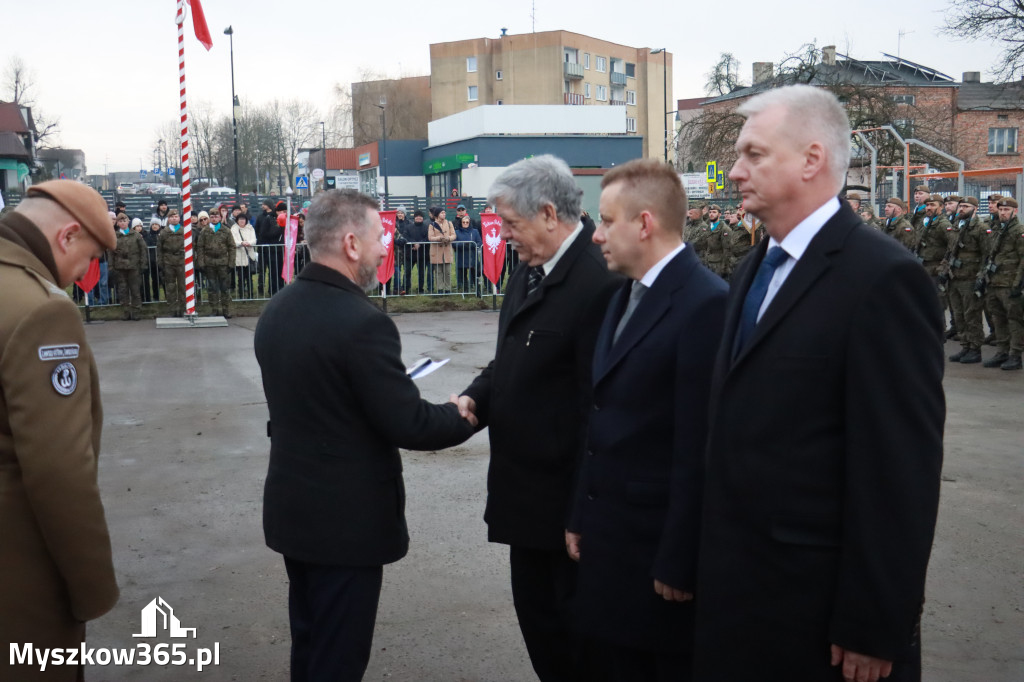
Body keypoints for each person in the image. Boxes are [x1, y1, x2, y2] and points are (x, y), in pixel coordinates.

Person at [695, 85, 945, 682]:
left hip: (820, 617)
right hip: (741, 597)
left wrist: (875, 624)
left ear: (811, 160)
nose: (733, 172)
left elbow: (898, 473)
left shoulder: (883, 278)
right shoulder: (754, 266)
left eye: (753, 154)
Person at [254, 188, 476, 681]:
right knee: (338, 657)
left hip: (295, 513)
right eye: (380, 238)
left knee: (311, 643)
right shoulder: (363, 324)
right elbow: (408, 422)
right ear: (352, 243)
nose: (384, 249)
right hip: (345, 525)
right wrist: (465, 412)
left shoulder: (277, 310)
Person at [454, 155, 619, 682]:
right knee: (542, 632)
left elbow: (600, 408)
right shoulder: (531, 270)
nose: (506, 237)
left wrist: (581, 512)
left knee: (576, 648)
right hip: (525, 501)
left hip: (564, 511)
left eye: (512, 224)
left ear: (550, 214)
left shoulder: (598, 283)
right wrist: (475, 398)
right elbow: (512, 355)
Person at [565, 159, 726, 681]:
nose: (596, 236)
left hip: (656, 555)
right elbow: (601, 414)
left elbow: (698, 444)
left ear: (645, 223)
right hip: (610, 538)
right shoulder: (623, 295)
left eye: (606, 220)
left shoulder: (704, 303)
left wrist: (680, 557)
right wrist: (579, 512)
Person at [0, 180, 120, 681]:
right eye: (88, 260)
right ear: (68, 236)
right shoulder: (40, 309)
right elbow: (58, 471)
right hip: (18, 575)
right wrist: (93, 588)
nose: (80, 277)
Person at [978, 197, 1024, 370]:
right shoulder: (997, 230)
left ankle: (1015, 354)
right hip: (994, 282)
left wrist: (1018, 284)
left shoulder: (1019, 231)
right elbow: (989, 255)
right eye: (1001, 210)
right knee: (998, 320)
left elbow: (1023, 260)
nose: (1003, 213)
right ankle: (1002, 351)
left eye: (1006, 210)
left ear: (1015, 211)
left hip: (1009, 284)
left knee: (1014, 320)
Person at [944, 196, 986, 364]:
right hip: (955, 278)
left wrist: (981, 277)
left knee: (972, 315)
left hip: (970, 277)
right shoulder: (956, 226)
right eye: (960, 206)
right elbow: (950, 251)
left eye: (966, 207)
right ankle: (965, 346)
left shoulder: (980, 229)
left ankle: (975, 349)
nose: (961, 209)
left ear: (975, 208)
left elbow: (986, 254)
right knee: (959, 315)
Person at [198, 206, 235, 318]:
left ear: (220, 217)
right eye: (212, 217)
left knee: (224, 288)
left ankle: (226, 310)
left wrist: (231, 263)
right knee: (212, 288)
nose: (214, 219)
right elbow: (200, 247)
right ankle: (214, 310)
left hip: (223, 262)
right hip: (209, 263)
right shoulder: (205, 231)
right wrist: (201, 262)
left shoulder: (226, 230)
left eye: (216, 216)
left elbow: (231, 247)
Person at [112, 212, 148, 320]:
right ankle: (126, 311)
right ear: (117, 223)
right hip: (120, 267)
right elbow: (110, 252)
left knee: (135, 289)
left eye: (125, 220)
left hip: (134, 266)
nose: (123, 223)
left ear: (128, 222)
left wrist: (143, 264)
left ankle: (136, 311)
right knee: (123, 290)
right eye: (121, 221)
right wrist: (111, 266)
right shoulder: (114, 236)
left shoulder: (136, 235)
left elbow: (143, 249)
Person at [157, 209, 186, 316]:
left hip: (182, 261)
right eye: (172, 217)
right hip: (168, 261)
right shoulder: (164, 232)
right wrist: (160, 263)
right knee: (170, 287)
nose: (174, 218)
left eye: (176, 216)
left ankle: (183, 309)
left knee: (183, 286)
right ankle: (172, 309)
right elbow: (159, 248)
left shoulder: (184, 231)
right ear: (168, 219)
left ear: (179, 218)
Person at [428, 206, 455, 294]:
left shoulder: (449, 223)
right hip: (436, 251)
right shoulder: (432, 225)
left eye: (444, 212)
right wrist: (439, 238)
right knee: (438, 272)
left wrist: (449, 238)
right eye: (442, 213)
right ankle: (440, 289)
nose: (444, 214)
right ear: (437, 215)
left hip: (447, 250)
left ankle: (447, 289)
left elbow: (454, 235)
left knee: (447, 272)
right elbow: (430, 237)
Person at [454, 213, 482, 295]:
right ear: (461, 223)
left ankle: (478, 290)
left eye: (467, 222)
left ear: (469, 223)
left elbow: (479, 242)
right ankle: (465, 291)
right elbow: (454, 243)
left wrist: (473, 244)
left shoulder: (475, 231)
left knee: (475, 274)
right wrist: (463, 244)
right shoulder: (457, 232)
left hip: (472, 255)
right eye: (464, 222)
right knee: (463, 275)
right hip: (461, 256)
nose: (465, 224)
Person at [231, 212, 258, 299]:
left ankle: (251, 295)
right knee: (240, 278)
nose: (242, 221)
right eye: (240, 219)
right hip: (239, 257)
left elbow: (254, 240)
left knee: (249, 277)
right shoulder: (234, 229)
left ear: (246, 220)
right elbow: (233, 241)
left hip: (249, 255)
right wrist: (241, 243)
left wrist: (248, 243)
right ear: (237, 220)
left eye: (243, 219)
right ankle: (241, 295)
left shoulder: (250, 228)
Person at [407, 209, 431, 293]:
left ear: (423, 218)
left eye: (420, 217)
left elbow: (427, 238)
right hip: (410, 254)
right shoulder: (409, 227)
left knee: (421, 273)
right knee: (407, 272)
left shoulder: (426, 227)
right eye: (417, 217)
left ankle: (420, 289)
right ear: (414, 218)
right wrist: (413, 243)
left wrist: (419, 244)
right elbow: (406, 237)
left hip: (422, 254)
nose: (418, 218)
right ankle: (406, 288)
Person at [142, 218, 162, 302]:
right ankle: (156, 296)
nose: (154, 226)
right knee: (154, 280)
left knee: (163, 279)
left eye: (156, 224)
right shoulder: (148, 236)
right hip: (152, 261)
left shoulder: (162, 234)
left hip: (161, 260)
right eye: (153, 224)